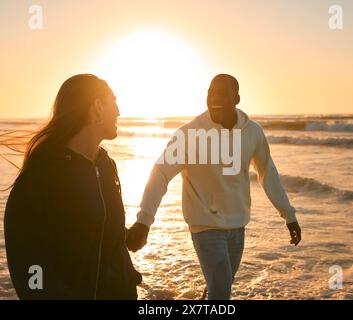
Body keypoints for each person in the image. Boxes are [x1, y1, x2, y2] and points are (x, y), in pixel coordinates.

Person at [126, 74, 301, 300]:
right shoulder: (189, 134)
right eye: (211, 92)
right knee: (221, 291)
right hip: (205, 226)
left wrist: (289, 216)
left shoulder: (252, 131)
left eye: (222, 93)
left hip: (237, 226)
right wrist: (144, 221)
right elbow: (160, 173)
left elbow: (268, 174)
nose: (215, 98)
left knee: (221, 285)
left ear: (236, 98)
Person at [4, 74, 141, 299]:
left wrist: (128, 277)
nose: (118, 111)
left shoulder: (106, 167)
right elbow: (26, 260)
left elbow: (102, 234)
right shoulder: (43, 175)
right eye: (113, 101)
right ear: (97, 107)